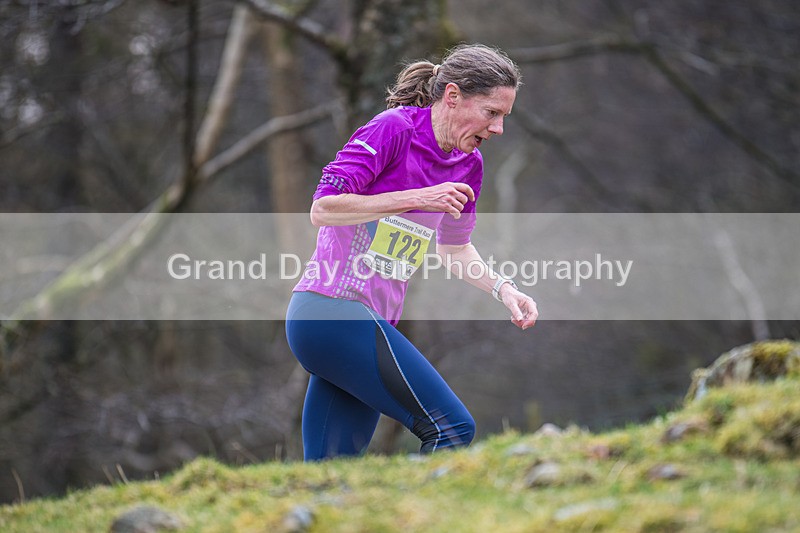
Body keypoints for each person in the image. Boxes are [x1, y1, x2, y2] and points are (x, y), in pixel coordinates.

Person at [285, 43, 538, 461]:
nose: (498, 129)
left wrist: (504, 290)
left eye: (504, 118)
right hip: (328, 311)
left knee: (331, 473)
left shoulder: (468, 165)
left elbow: (454, 249)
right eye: (492, 113)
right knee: (452, 427)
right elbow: (323, 209)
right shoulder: (393, 129)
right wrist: (418, 196)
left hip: (369, 324)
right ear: (453, 96)